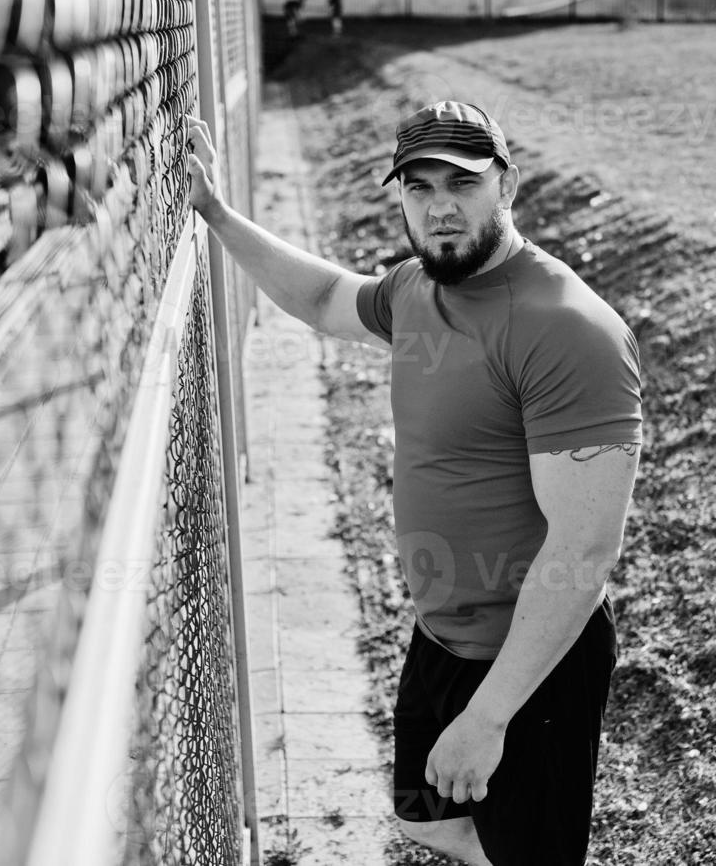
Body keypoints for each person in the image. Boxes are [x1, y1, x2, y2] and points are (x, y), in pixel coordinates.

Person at [186, 101, 642, 866]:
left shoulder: (566, 329)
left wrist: (490, 716)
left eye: (461, 183)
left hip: (528, 667)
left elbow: (585, 550)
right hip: (440, 637)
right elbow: (324, 299)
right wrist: (218, 215)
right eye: (418, 185)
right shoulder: (414, 291)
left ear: (508, 186)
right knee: (428, 819)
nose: (438, 206)